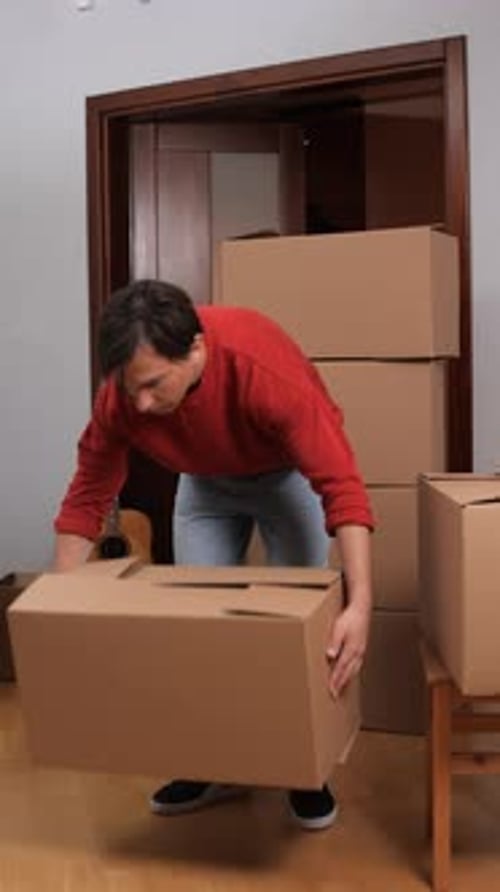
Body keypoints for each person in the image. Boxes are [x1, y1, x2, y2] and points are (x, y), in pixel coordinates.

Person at [53, 278, 374, 832]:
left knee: (296, 633)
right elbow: (87, 495)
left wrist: (360, 600)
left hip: (283, 475)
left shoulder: (262, 370)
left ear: (197, 349)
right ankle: (209, 763)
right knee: (200, 630)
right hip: (204, 483)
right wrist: (62, 603)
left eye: (153, 386)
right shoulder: (126, 396)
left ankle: (304, 772)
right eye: (131, 391)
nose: (142, 404)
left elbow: (341, 486)